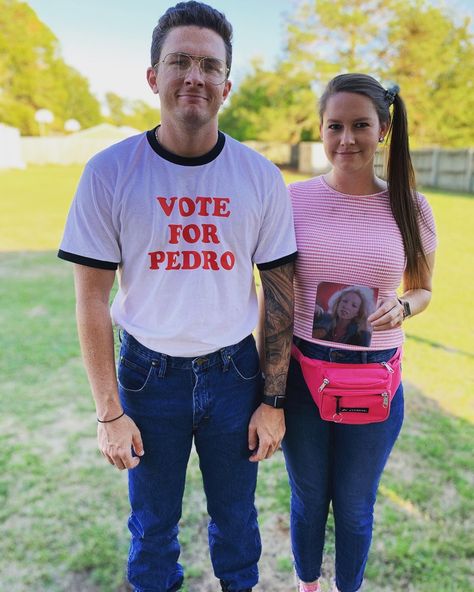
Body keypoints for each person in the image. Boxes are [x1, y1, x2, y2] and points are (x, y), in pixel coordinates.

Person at [58, 3, 296, 591]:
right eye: (180, 61)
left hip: (233, 376)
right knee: (153, 529)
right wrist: (108, 412)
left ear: (227, 85)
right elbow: (91, 299)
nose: (195, 75)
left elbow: (280, 294)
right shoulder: (110, 172)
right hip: (146, 376)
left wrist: (273, 398)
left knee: (237, 525)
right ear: (153, 76)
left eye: (209, 65)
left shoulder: (259, 176)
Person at [281, 74, 437, 592]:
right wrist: (270, 385)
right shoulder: (293, 200)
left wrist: (404, 306)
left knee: (352, 507)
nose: (346, 138)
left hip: (374, 379)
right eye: (335, 126)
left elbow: (423, 289)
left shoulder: (410, 206)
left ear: (384, 129)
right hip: (303, 374)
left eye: (360, 125)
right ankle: (307, 585)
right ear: (322, 131)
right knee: (307, 499)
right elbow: (275, 296)